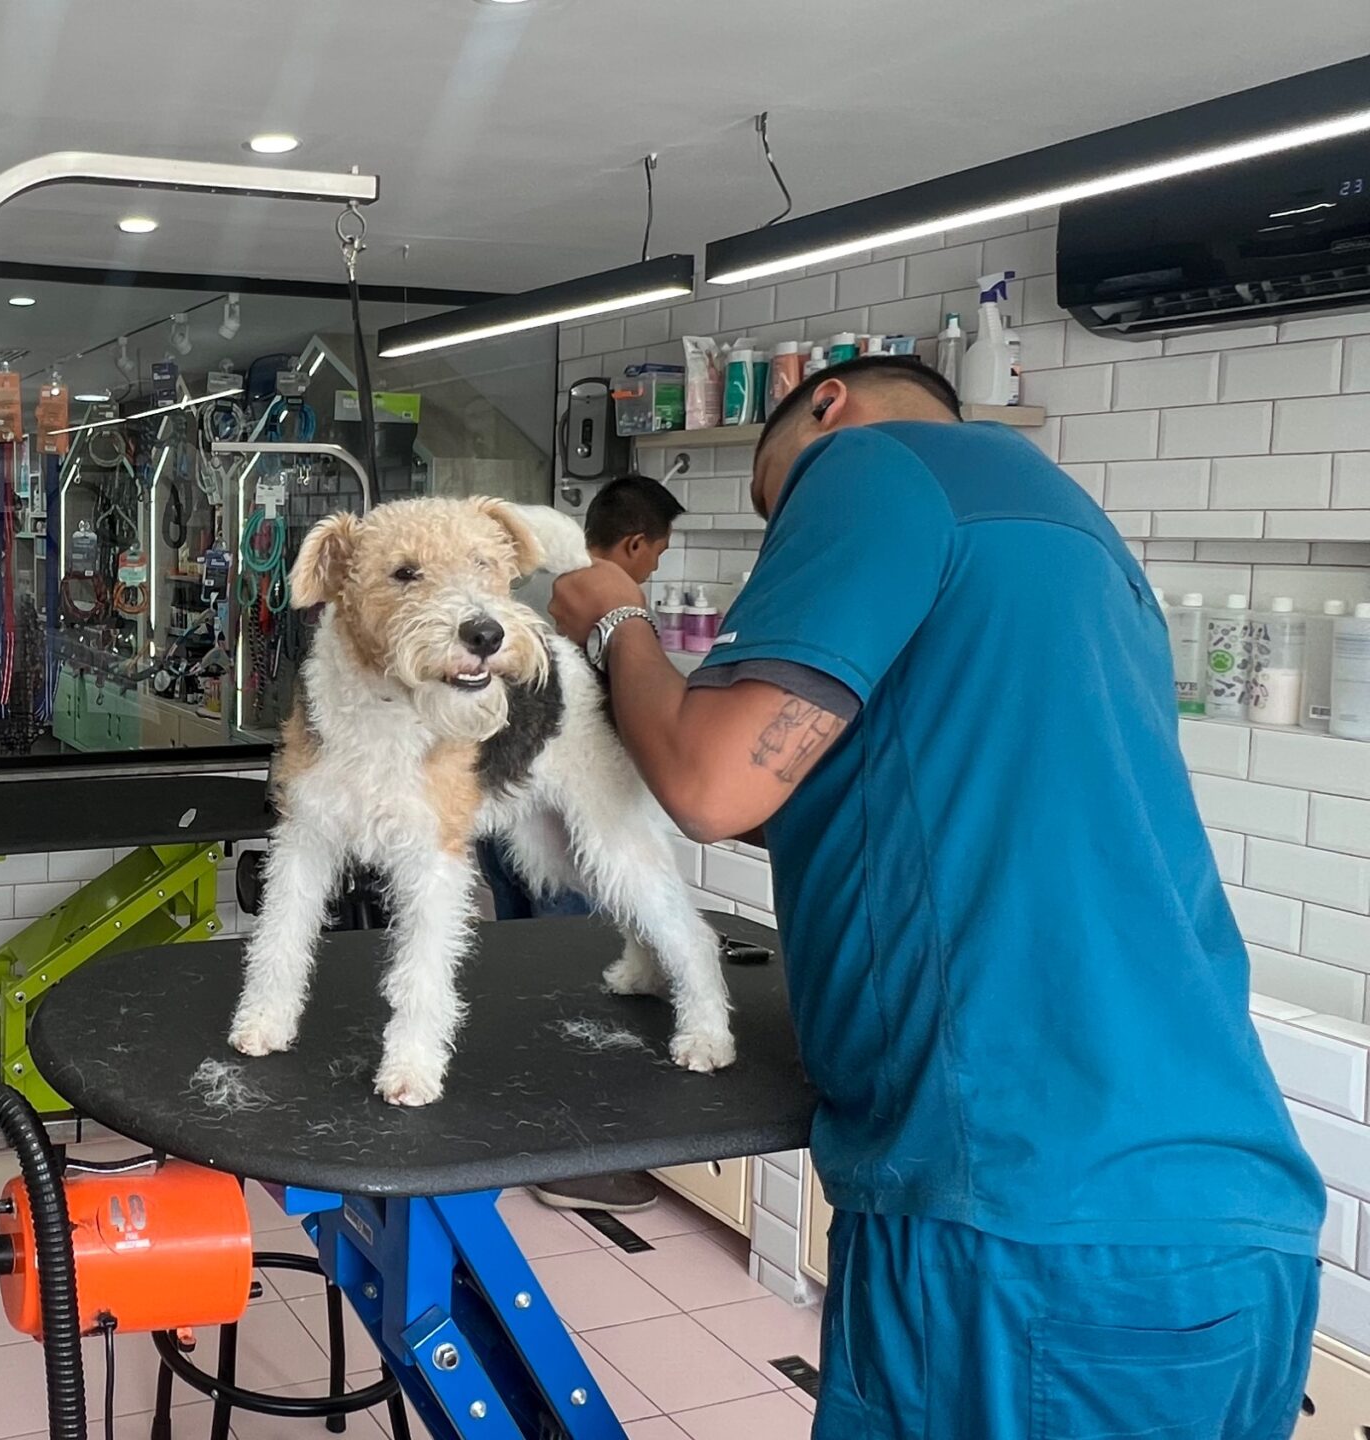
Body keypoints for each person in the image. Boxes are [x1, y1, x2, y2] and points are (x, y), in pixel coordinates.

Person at [548, 355, 1322, 1438]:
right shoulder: (1081, 543)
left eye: (777, 504)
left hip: (1020, 1230)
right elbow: (835, 798)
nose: (788, 533)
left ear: (825, 406)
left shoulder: (869, 465)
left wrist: (615, 619)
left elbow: (711, 786)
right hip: (1218, 1231)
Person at [504, 473, 684, 1212]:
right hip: (564, 802)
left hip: (508, 799)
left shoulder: (541, 593)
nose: (653, 572)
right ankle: (569, 1156)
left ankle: (518, 1124)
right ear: (635, 544)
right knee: (569, 980)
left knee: (518, 967)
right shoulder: (601, 606)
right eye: (658, 556)